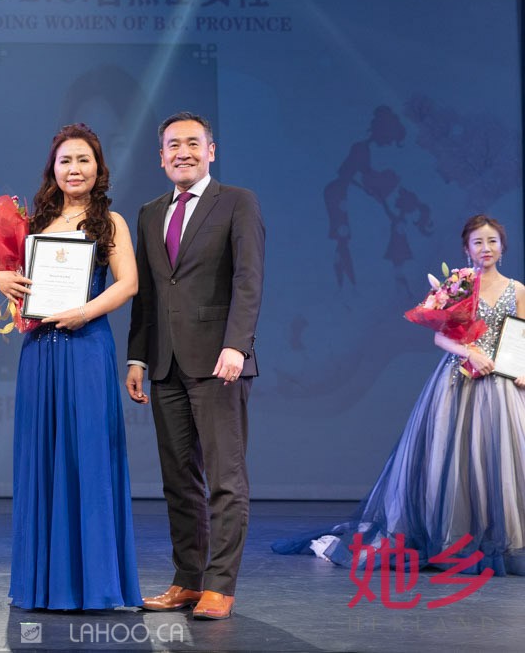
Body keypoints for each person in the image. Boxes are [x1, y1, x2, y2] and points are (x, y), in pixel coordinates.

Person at [273, 214, 525, 576]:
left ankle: (501, 540)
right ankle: (456, 539)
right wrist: (469, 353)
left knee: (500, 462)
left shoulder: (517, 290)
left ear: (503, 246)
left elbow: (521, 335)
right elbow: (440, 336)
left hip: (501, 385)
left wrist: (521, 370)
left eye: (492, 241)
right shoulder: (459, 285)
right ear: (466, 249)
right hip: (460, 382)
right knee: (455, 464)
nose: (486, 248)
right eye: (478, 242)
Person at [0, 123, 142, 610]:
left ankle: (94, 584)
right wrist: (0, 279)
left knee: (88, 457)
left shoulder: (110, 222)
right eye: (65, 161)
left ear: (98, 168)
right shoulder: (32, 222)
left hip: (86, 346)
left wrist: (83, 311)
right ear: (52, 169)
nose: (74, 169)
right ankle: (42, 585)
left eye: (83, 160)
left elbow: (128, 284)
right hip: (40, 352)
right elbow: (14, 276)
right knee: (42, 459)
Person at [126, 112, 265, 620]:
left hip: (220, 361)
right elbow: (147, 293)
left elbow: (249, 279)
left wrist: (237, 346)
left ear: (211, 150)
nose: (182, 152)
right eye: (172, 145)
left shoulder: (237, 202)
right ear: (160, 156)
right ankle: (188, 580)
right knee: (178, 480)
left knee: (225, 478)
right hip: (164, 364)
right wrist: (137, 355)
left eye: (191, 143)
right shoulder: (149, 212)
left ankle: (220, 586)